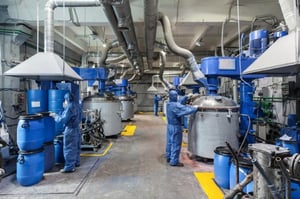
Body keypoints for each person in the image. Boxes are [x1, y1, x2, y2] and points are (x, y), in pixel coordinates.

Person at [166, 90, 198, 167]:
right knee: (176, 144)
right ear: (175, 96)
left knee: (170, 143)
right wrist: (195, 108)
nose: (177, 97)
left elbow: (179, 102)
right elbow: (186, 109)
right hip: (175, 127)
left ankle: (169, 156)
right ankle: (174, 161)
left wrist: (187, 96)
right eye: (176, 96)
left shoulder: (169, 104)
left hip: (169, 126)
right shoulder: (176, 106)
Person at [51, 92, 81, 173]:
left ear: (67, 99)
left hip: (70, 129)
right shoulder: (77, 105)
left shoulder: (70, 107)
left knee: (69, 148)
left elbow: (63, 120)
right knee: (76, 147)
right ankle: (76, 162)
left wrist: (55, 116)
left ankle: (69, 167)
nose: (64, 101)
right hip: (77, 129)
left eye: (65, 100)